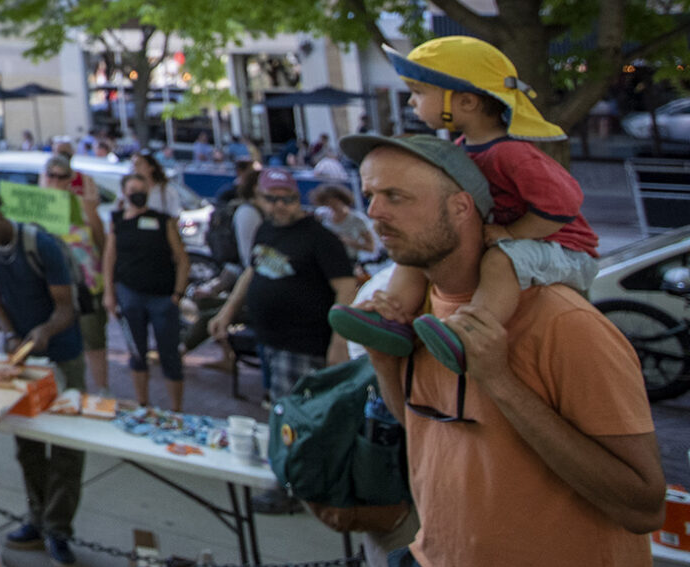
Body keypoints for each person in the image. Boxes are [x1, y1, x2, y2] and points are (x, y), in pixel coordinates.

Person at [346, 132, 665, 567]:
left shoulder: (566, 325)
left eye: (397, 197)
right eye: (370, 195)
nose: (375, 212)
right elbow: (428, 436)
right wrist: (383, 362)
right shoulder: (413, 311)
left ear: (462, 207)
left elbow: (643, 504)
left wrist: (499, 378)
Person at [331, 37, 596, 377]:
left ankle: (469, 333)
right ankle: (390, 317)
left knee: (501, 261)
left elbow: (565, 203)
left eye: (419, 92)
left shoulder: (511, 153)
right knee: (417, 253)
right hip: (522, 242)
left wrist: (511, 233)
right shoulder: (464, 148)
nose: (411, 101)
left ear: (467, 101)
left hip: (563, 249)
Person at [0, 186, 85, 567]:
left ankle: (59, 529)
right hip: (20, 354)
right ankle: (37, 516)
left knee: (65, 444)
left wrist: (44, 332)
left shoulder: (41, 245)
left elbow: (67, 307)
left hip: (62, 352)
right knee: (27, 440)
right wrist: (11, 333)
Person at [206, 168, 359, 406]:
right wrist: (226, 311)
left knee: (297, 417)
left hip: (304, 344)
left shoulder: (320, 238)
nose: (280, 205)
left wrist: (339, 343)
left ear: (297, 198)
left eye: (287, 198)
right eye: (271, 198)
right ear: (259, 198)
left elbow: (347, 288)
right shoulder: (265, 229)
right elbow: (253, 269)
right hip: (268, 338)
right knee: (280, 409)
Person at [104, 159, 190, 411]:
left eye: (141, 191)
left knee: (169, 355)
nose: (137, 196)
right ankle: (142, 403)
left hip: (162, 297)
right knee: (136, 353)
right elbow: (110, 258)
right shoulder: (118, 220)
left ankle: (176, 409)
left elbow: (182, 259)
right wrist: (110, 293)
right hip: (130, 294)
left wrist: (177, 293)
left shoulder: (163, 221)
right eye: (132, 192)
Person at [41, 149, 109, 393]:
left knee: (93, 338)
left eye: (62, 177)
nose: (56, 181)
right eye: (52, 176)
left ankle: (101, 389)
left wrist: (109, 281)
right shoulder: (38, 206)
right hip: (51, 284)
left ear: (71, 179)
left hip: (87, 282)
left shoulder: (82, 204)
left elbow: (101, 241)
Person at [314, 183, 378, 262]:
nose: (332, 207)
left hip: (350, 259)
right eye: (328, 204)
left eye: (334, 203)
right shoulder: (322, 215)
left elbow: (371, 247)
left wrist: (350, 242)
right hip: (328, 258)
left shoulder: (358, 219)